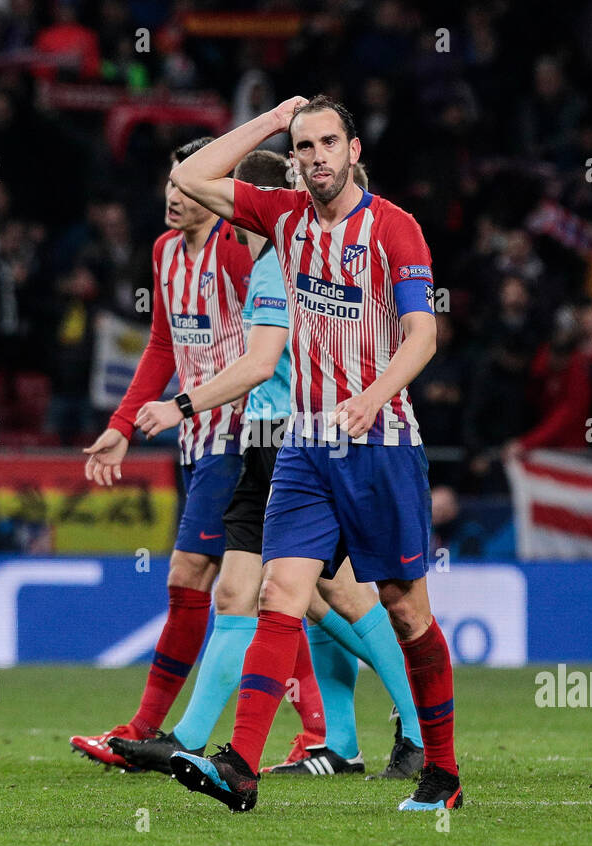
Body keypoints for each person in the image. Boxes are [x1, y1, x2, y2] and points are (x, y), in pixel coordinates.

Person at [166, 94, 461, 813]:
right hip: (304, 444)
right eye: (306, 146)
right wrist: (270, 120)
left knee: (405, 611)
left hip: (382, 441)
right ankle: (239, 766)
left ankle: (442, 770)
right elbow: (197, 175)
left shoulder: (395, 229)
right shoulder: (281, 216)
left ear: (354, 150)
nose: (319, 155)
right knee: (280, 594)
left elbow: (422, 335)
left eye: (330, 142)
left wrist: (372, 394)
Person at [119, 152, 425, 779]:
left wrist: (179, 404)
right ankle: (211, 738)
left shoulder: (283, 264)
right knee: (257, 593)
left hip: (296, 438)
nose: (290, 195)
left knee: (329, 596)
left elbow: (261, 364)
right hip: (270, 437)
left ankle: (410, 722)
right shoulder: (276, 259)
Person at [69, 137, 253, 767]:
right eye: (170, 185)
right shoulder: (165, 253)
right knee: (301, 592)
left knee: (190, 577)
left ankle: (146, 726)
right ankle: (331, 730)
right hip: (195, 439)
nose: (175, 197)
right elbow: (162, 347)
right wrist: (121, 423)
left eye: (187, 185)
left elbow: (269, 342)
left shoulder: (236, 250)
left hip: (241, 435)